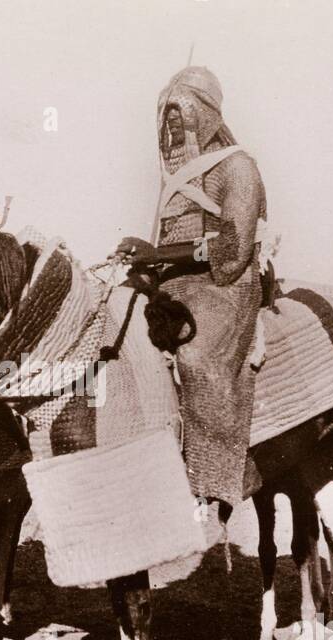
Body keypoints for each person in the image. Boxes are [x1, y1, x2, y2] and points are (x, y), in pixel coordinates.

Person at [115, 66, 268, 524]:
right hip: (173, 282)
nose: (171, 124)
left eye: (179, 113)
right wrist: (141, 262)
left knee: (196, 356)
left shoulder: (238, 167)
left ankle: (212, 484)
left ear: (205, 114)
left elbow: (235, 247)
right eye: (165, 115)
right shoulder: (173, 177)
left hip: (223, 285)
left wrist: (155, 253)